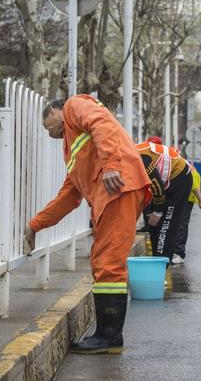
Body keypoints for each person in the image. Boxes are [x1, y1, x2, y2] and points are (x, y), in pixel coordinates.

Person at [24, 96, 151, 354]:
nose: (50, 134)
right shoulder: (73, 149)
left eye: (48, 126)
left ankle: (109, 336)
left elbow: (102, 124)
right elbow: (68, 197)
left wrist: (112, 166)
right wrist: (35, 225)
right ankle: (106, 334)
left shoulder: (75, 106)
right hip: (113, 194)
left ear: (55, 110)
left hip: (118, 188)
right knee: (103, 261)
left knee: (109, 264)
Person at [136, 140, 192, 264]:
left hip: (179, 177)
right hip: (163, 181)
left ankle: (161, 268)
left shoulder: (140, 157)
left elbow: (157, 185)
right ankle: (157, 259)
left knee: (166, 224)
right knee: (153, 224)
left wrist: (158, 211)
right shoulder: (126, 155)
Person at [172, 164, 201, 264]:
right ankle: (173, 250)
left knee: (181, 222)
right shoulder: (175, 163)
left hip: (188, 192)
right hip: (182, 190)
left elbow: (193, 184)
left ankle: (179, 253)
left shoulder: (179, 167)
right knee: (175, 222)